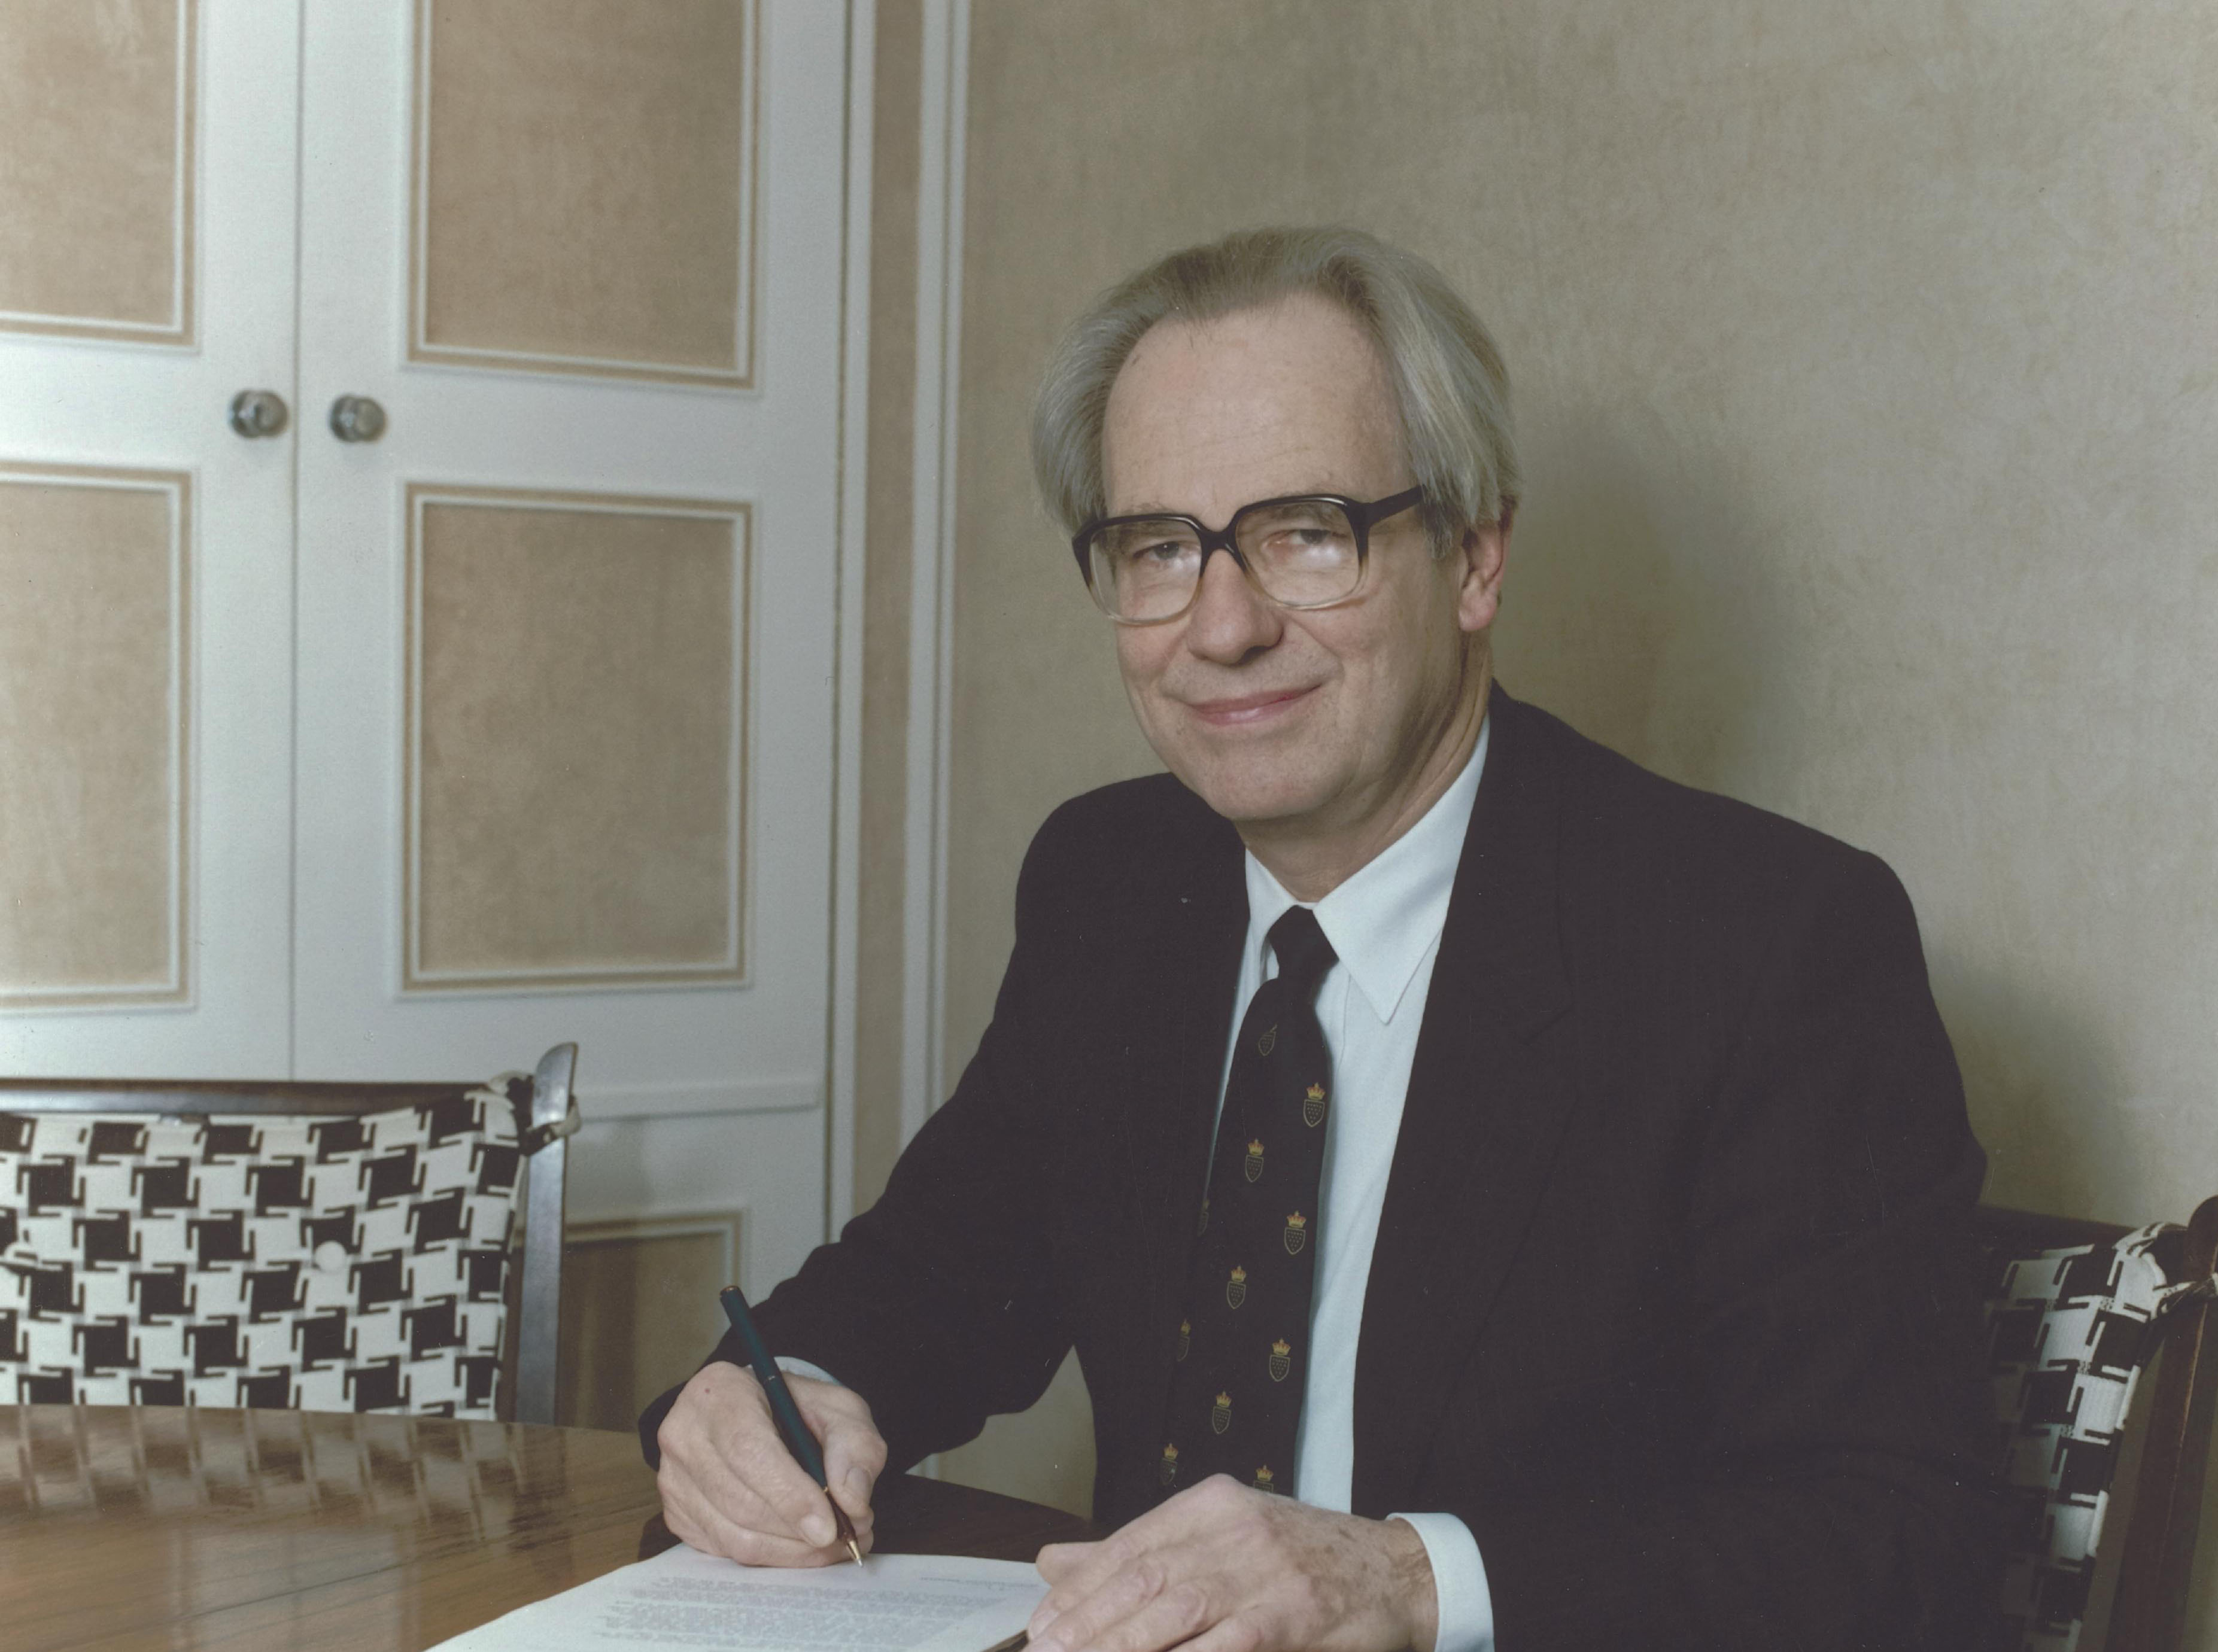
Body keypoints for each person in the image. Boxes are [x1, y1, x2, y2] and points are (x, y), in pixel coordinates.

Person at [640, 227, 1997, 1650]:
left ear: (1475, 556)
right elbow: (934, 1276)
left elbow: (1906, 1538)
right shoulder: (1113, 880)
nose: (1221, 627)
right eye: (1160, 547)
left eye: (1303, 532)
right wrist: (769, 1389)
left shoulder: (1760, 943)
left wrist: (1409, 1584)